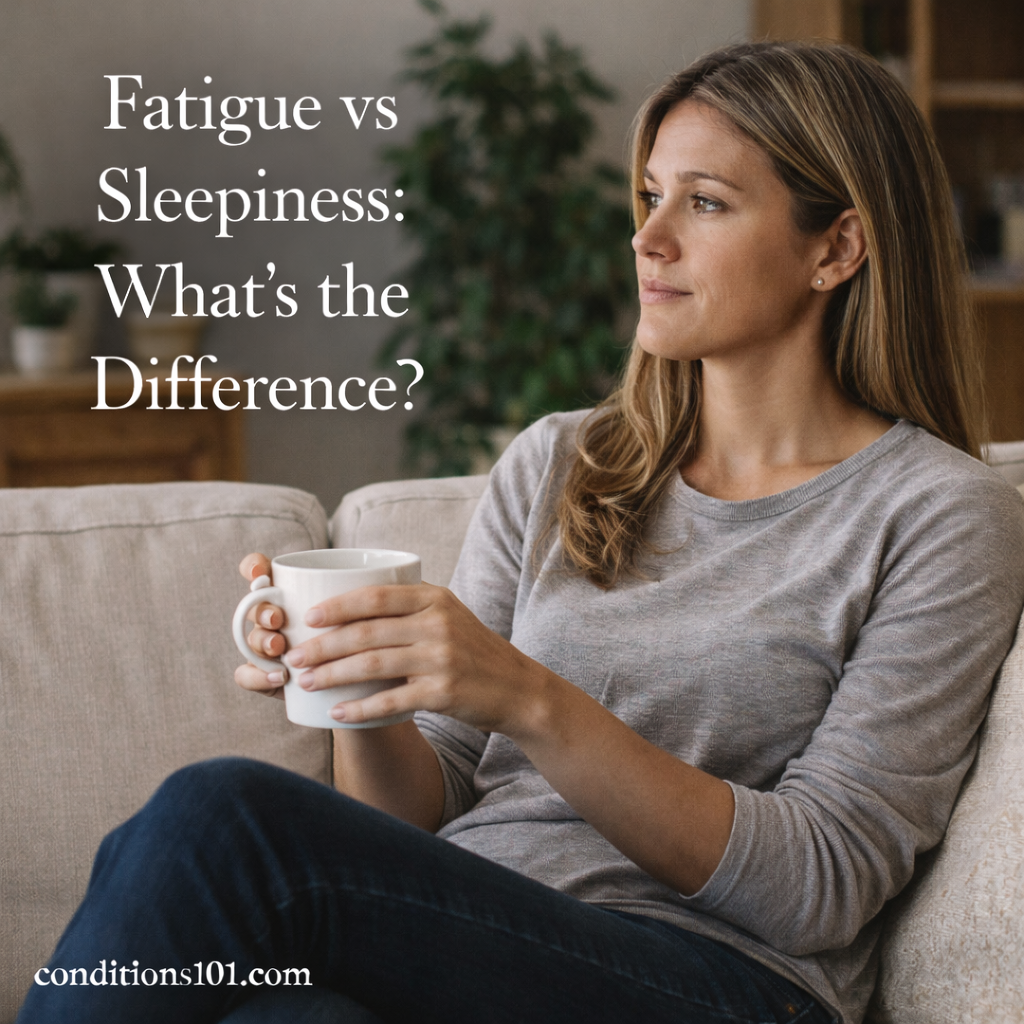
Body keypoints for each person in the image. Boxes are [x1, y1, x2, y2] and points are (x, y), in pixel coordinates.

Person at [19, 40, 1024, 1024]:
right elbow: (415, 811)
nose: (648, 237)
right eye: (648, 196)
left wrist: (532, 698)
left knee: (221, 817)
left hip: (717, 978)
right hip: (478, 946)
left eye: (704, 202)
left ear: (835, 247)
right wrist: (366, 683)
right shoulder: (559, 462)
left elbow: (824, 880)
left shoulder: (938, 514)